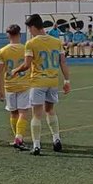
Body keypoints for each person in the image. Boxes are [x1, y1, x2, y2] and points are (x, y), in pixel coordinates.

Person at [14, 13, 71, 155]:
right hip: (52, 81)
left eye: (29, 29)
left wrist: (16, 69)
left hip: (38, 82)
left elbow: (27, 65)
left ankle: (37, 145)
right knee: (50, 110)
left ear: (33, 27)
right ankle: (56, 139)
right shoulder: (56, 41)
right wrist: (67, 80)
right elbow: (62, 62)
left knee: (37, 115)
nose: (29, 32)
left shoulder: (31, 43)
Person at [0, 23, 30, 149]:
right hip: (24, 84)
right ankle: (19, 137)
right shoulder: (25, 48)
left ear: (7, 35)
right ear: (20, 34)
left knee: (13, 113)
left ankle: (17, 137)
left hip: (9, 85)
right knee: (23, 112)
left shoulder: (2, 51)